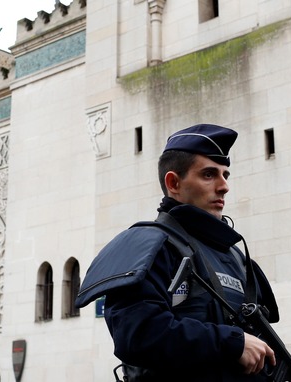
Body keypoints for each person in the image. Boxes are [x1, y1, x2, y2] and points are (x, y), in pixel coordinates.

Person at [75, 124, 280, 381]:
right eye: (209, 174)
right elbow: (138, 334)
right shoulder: (151, 247)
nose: (224, 186)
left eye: (225, 175)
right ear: (173, 182)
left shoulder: (237, 259)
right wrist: (231, 343)